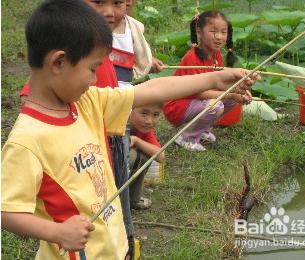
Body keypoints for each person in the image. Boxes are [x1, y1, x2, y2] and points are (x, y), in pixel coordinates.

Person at [1, 0, 259, 259]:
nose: (94, 79)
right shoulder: (28, 139)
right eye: (93, 69)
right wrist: (56, 233)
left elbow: (149, 91)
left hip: (111, 247)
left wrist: (217, 77)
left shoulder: (85, 102)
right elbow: (7, 212)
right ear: (58, 62)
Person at [163, 10, 251, 152]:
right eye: (213, 31)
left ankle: (201, 129)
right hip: (177, 106)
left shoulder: (216, 55)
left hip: (193, 103)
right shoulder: (192, 58)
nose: (219, 37)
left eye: (223, 32)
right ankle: (186, 138)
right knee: (215, 105)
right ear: (199, 32)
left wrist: (239, 90)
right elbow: (198, 93)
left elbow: (221, 83)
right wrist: (231, 93)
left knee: (233, 99)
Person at [128, 103, 165, 209]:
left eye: (156, 115)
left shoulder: (143, 130)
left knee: (146, 153)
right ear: (130, 109)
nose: (149, 121)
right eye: (144, 113)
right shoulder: (119, 124)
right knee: (132, 156)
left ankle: (132, 198)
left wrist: (137, 141)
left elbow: (160, 156)